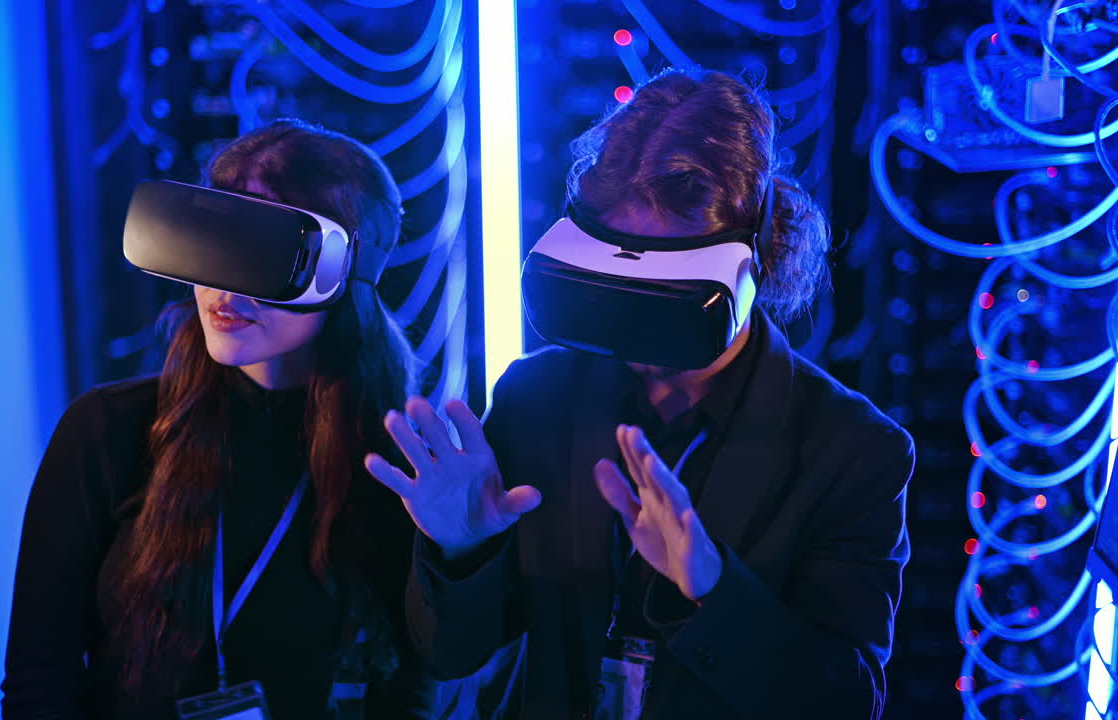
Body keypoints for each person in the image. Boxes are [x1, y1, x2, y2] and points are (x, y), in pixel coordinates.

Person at [366, 69, 916, 719]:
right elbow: (447, 653)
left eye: (668, 287)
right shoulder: (537, 397)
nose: (635, 316)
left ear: (754, 258)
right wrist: (462, 550)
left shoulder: (852, 449)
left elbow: (846, 703)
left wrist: (713, 588)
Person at [1, 120, 435, 719]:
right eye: (216, 239)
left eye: (266, 252)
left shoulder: (395, 464)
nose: (224, 292)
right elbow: (37, 681)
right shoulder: (106, 431)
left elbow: (410, 688)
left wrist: (464, 550)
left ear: (343, 276)